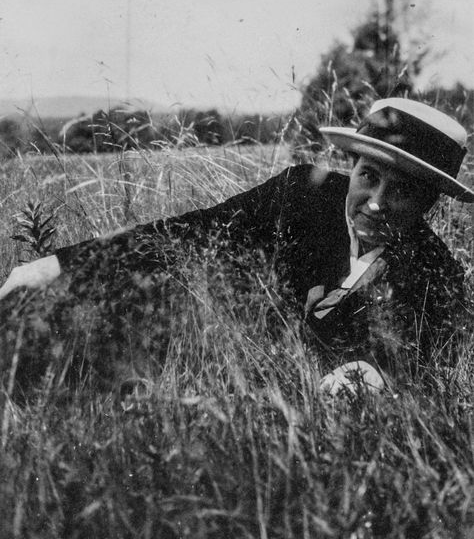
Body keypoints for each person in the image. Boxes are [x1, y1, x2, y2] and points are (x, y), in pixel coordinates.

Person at [0, 97, 472, 394]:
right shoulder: (302, 192)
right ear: (354, 168)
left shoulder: (437, 275)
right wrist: (59, 263)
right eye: (368, 177)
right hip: (205, 345)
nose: (376, 204)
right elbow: (195, 230)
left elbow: (408, 364)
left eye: (403, 190)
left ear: (429, 201)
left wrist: (367, 376)